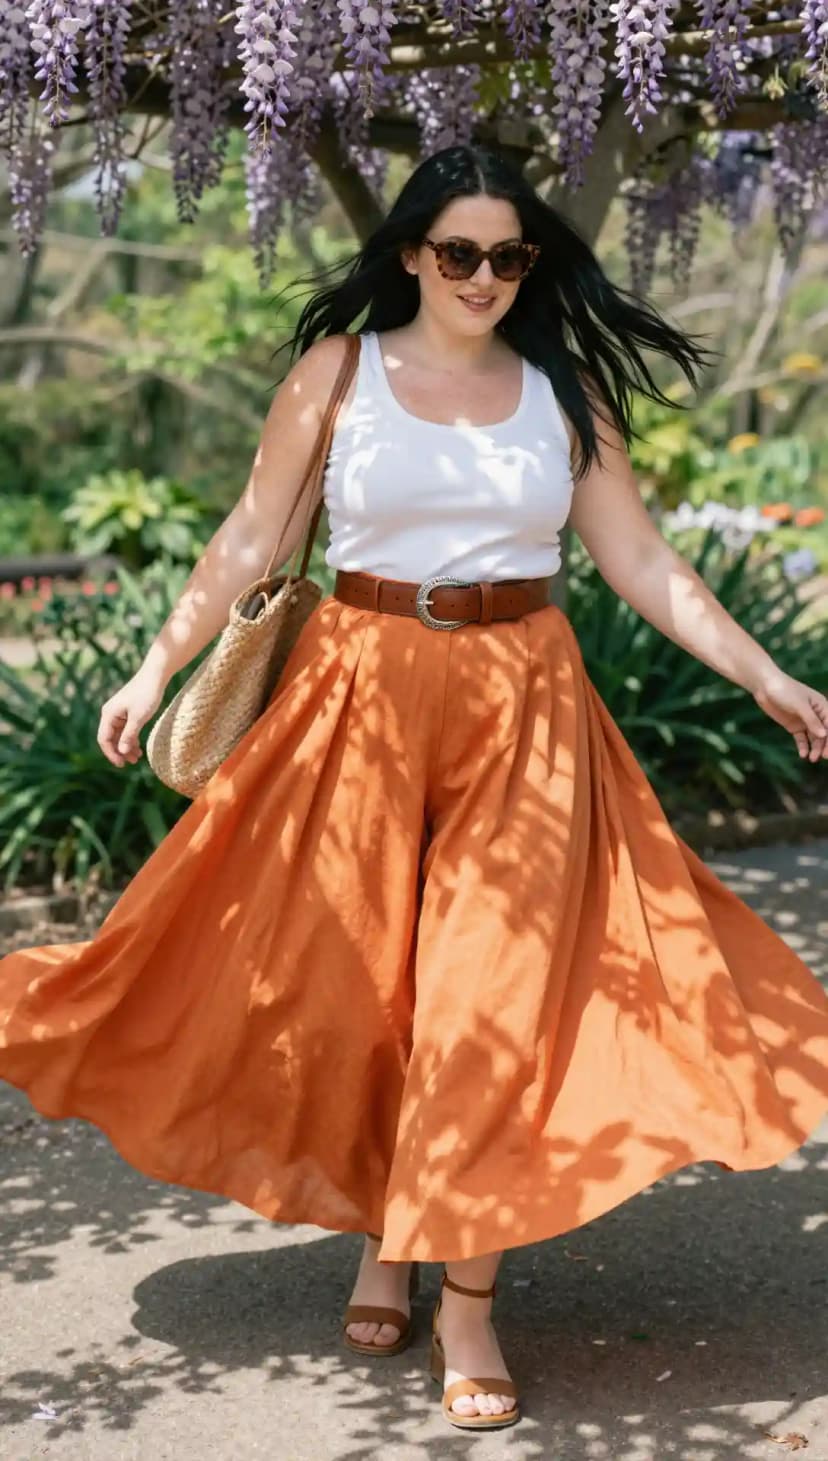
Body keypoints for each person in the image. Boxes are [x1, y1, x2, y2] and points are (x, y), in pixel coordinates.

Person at [2, 144, 828, 1435]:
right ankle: (389, 1227)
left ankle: (467, 1301)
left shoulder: (560, 391)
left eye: (510, 254)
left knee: (486, 994)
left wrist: (766, 670)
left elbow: (643, 561)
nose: (487, 277)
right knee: (361, 986)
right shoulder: (339, 376)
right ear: (409, 254)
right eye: (461, 252)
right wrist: (156, 670)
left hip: (527, 701)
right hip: (358, 689)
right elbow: (248, 537)